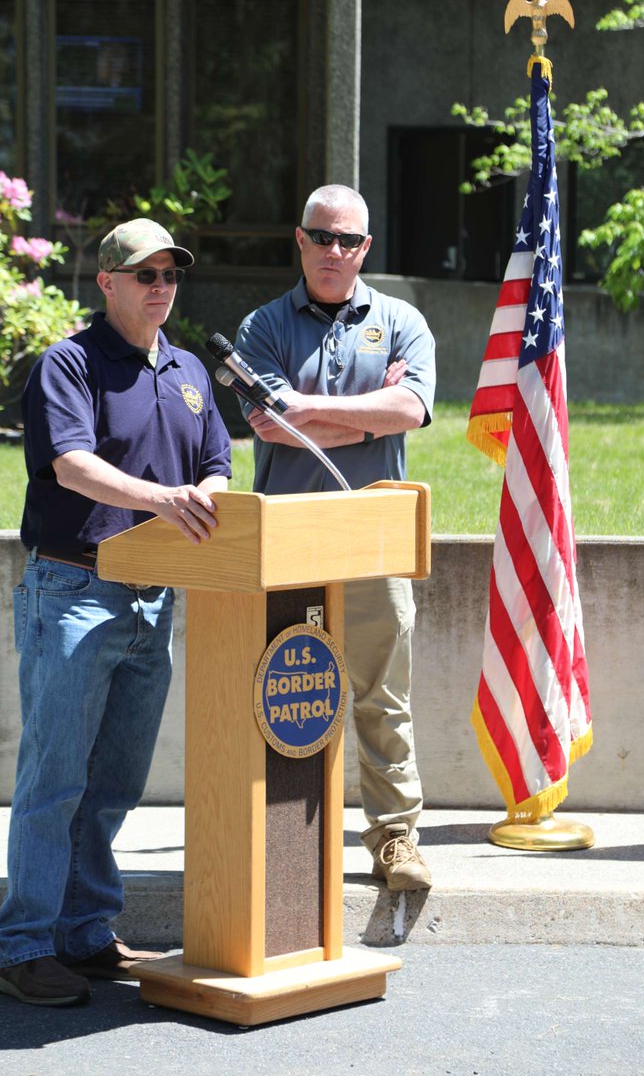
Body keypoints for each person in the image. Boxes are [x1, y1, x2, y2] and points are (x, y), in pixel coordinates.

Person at [0, 218, 232, 1007]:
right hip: (73, 591)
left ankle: (85, 933)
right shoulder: (69, 362)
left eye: (170, 274)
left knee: (115, 782)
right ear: (107, 282)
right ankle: (23, 946)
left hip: (154, 599)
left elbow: (218, 464)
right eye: (145, 274)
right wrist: (164, 501)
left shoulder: (190, 369)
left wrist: (207, 498)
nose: (160, 286)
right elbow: (70, 463)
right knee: (54, 779)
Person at [235, 184, 435, 891]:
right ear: (300, 239)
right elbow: (268, 421)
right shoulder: (262, 327)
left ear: (366, 248)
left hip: (371, 537)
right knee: (283, 694)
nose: (334, 251)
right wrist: (364, 414)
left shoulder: (403, 320)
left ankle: (395, 841)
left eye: (348, 240)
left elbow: (410, 408)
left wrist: (310, 407)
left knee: (383, 695)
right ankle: (281, 847)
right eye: (322, 237)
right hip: (284, 539)